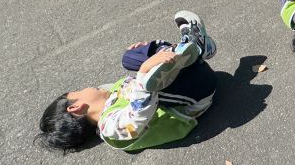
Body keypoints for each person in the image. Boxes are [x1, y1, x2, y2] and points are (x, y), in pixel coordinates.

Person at [37, 11, 218, 151]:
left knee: (129, 58)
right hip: (196, 94)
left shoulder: (112, 94)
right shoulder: (109, 127)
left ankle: (195, 48)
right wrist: (145, 69)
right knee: (147, 79)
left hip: (189, 80)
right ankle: (195, 48)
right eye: (78, 91)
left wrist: (144, 53)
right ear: (76, 107)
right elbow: (137, 117)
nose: (86, 87)